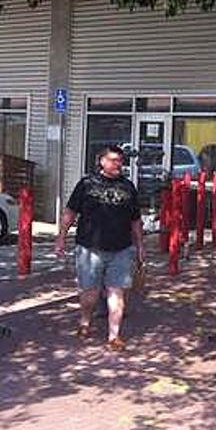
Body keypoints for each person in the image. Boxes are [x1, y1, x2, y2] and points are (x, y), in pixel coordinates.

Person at [55, 145, 144, 349]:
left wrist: (140, 246)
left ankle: (114, 336)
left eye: (120, 161)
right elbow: (70, 212)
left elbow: (136, 220)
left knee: (117, 294)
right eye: (113, 160)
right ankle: (85, 320)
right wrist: (61, 237)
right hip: (89, 248)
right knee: (90, 295)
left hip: (121, 249)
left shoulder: (128, 187)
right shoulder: (86, 184)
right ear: (102, 161)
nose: (117, 164)